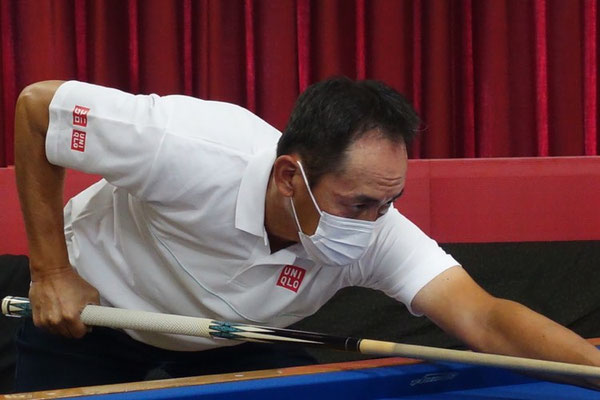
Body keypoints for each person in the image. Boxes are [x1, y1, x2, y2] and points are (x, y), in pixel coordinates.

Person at [14, 77, 600, 391]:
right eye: (358, 203)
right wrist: (51, 270)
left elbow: (484, 318)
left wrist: (593, 368)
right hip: (89, 314)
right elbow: (38, 109)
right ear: (290, 177)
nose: (372, 223)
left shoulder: (376, 233)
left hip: (236, 336)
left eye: (388, 203)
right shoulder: (190, 147)